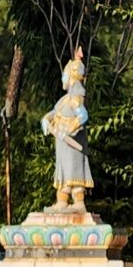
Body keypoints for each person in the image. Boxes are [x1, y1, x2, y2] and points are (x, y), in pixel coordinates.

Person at [42, 49, 92, 211]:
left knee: (74, 169)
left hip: (73, 142)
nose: (63, 78)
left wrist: (69, 130)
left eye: (65, 75)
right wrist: (46, 119)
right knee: (63, 170)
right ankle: (62, 202)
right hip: (62, 144)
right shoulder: (65, 99)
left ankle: (78, 203)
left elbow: (83, 116)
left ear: (71, 78)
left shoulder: (76, 99)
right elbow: (54, 112)